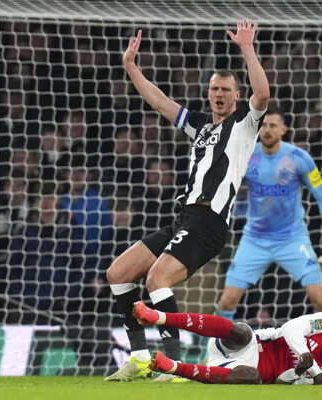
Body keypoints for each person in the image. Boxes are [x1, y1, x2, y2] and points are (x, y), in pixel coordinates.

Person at [105, 19, 270, 382]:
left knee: (156, 279)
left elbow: (263, 94)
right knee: (118, 273)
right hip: (184, 218)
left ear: (236, 96)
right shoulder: (200, 126)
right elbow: (161, 102)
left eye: (226, 89)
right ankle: (140, 357)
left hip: (209, 222)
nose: (219, 94)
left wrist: (247, 48)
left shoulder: (244, 125)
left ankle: (174, 366)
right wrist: (132, 68)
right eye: (214, 89)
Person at [215, 112, 322, 332]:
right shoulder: (247, 155)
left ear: (283, 130)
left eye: (273, 125)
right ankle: (208, 352)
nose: (267, 129)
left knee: (321, 300)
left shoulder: (299, 158)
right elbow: (223, 187)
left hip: (292, 239)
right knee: (227, 300)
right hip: (254, 240)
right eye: (264, 125)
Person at [133, 301, 322, 385]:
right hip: (246, 345)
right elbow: (290, 329)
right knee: (242, 332)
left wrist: (297, 372)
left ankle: (172, 367)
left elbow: (281, 383)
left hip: (243, 371)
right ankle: (159, 317)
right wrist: (312, 368)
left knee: (253, 378)